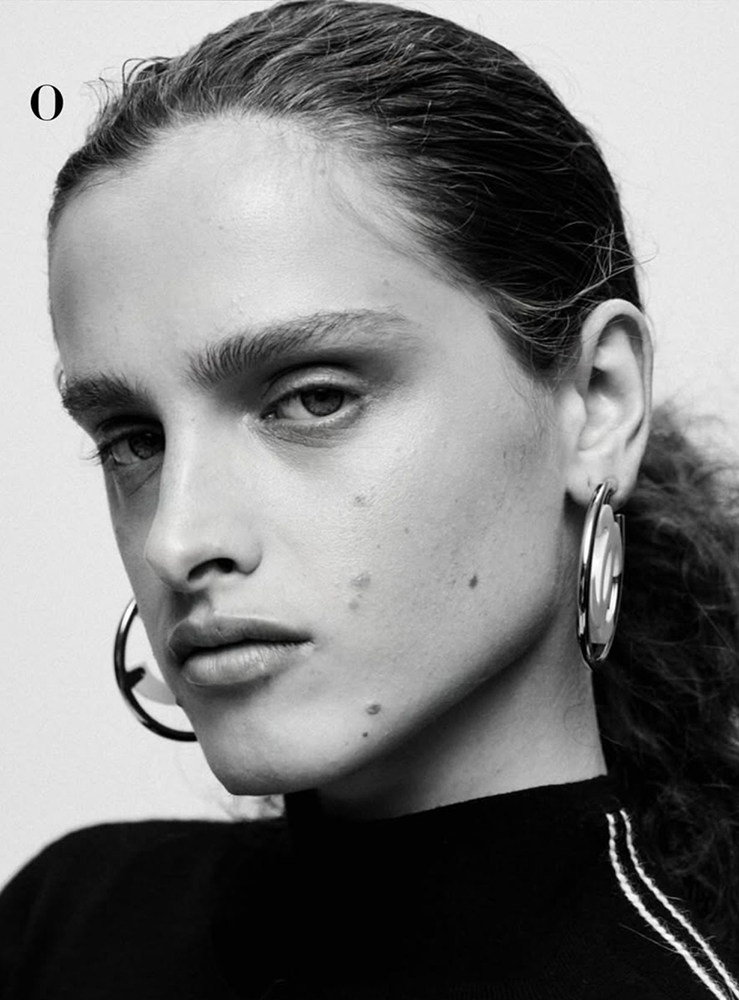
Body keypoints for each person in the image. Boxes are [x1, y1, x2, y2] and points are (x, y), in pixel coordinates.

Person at [2, 0, 739, 996]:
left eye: (314, 398)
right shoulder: (67, 927)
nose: (178, 537)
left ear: (598, 405)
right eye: (133, 437)